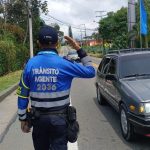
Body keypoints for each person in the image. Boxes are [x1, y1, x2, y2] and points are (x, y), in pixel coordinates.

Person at [17, 25, 95, 150]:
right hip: (60, 122)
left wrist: (23, 119)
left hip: (38, 121)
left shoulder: (30, 64)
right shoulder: (65, 64)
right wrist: (78, 49)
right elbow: (91, 71)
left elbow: (22, 95)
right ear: (57, 43)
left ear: (38, 43)